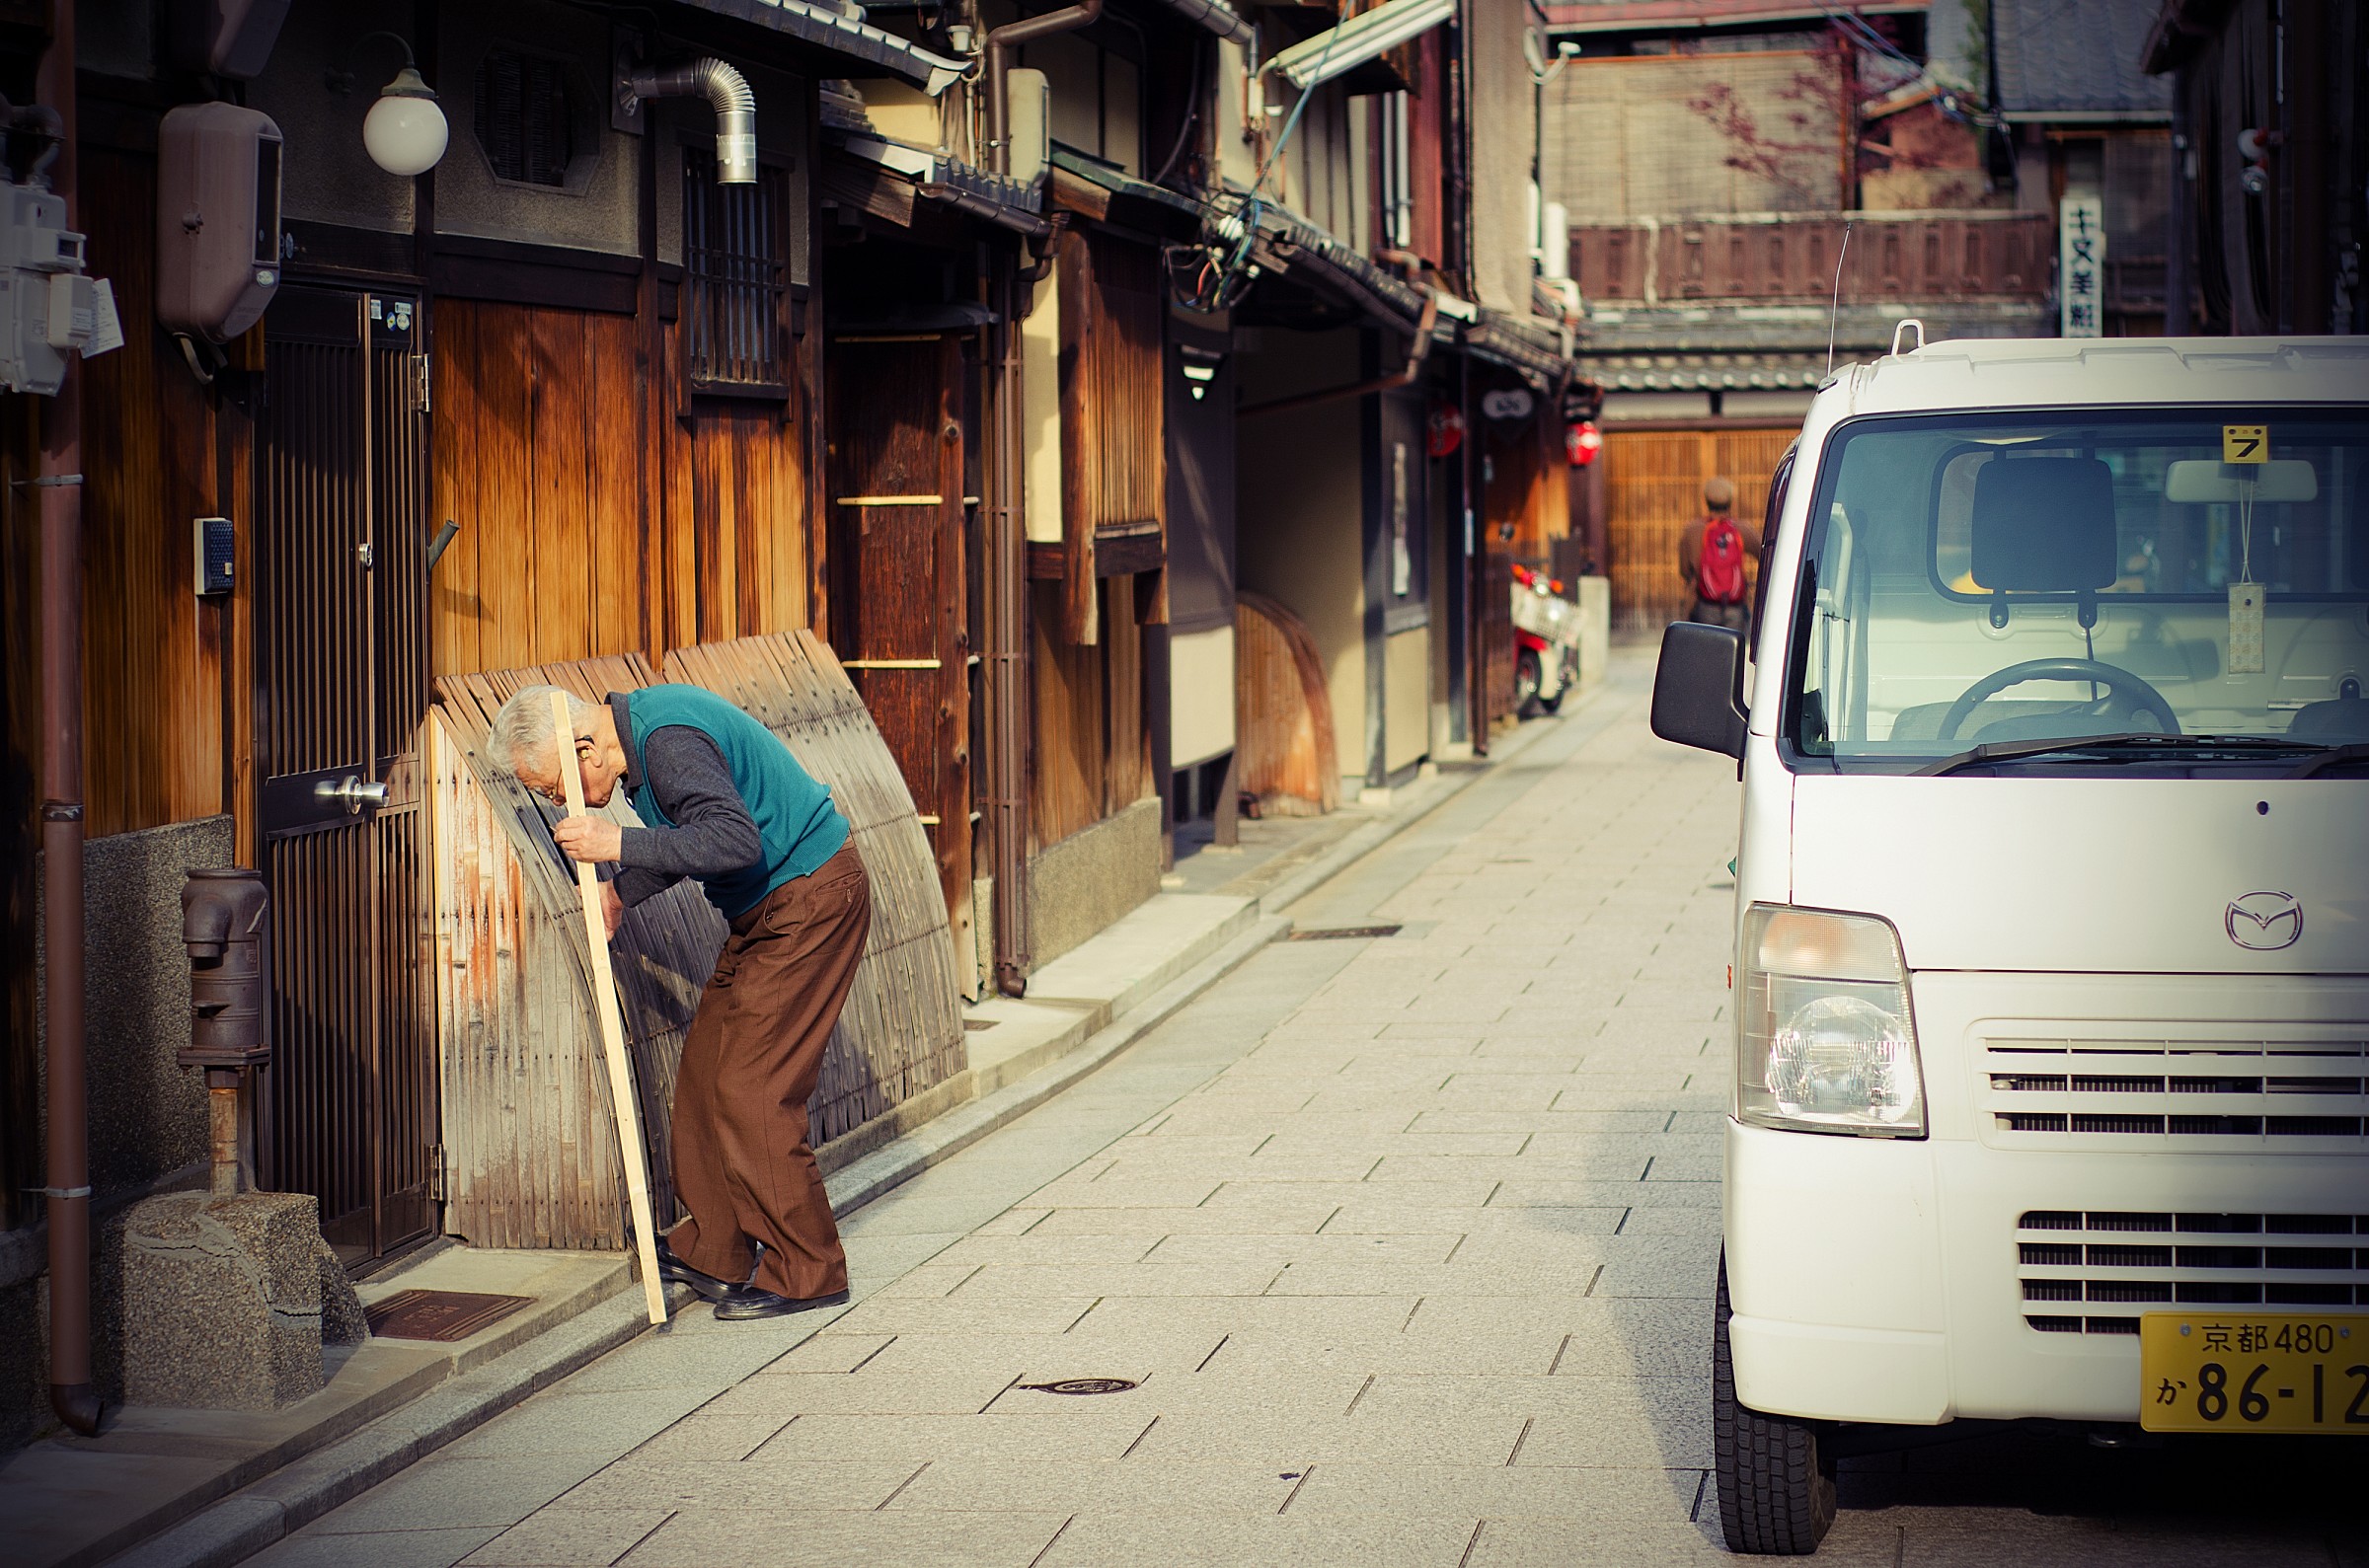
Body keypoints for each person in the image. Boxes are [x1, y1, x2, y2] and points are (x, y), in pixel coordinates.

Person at [487, 683, 870, 1321]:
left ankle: (809, 1269)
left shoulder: (666, 743)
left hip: (809, 899)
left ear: (586, 748)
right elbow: (690, 836)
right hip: (770, 909)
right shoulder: (642, 742)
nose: (557, 803)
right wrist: (619, 893)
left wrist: (616, 847)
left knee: (752, 1087)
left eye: (555, 787)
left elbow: (732, 842)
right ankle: (716, 1250)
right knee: (704, 1074)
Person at [1677, 476, 1762, 632]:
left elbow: (1684, 571)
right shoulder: (1741, 529)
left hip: (1704, 605)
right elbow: (1764, 554)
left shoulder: (1692, 530)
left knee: (1707, 651)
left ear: (1706, 501)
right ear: (1731, 500)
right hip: (1735, 607)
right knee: (1733, 650)